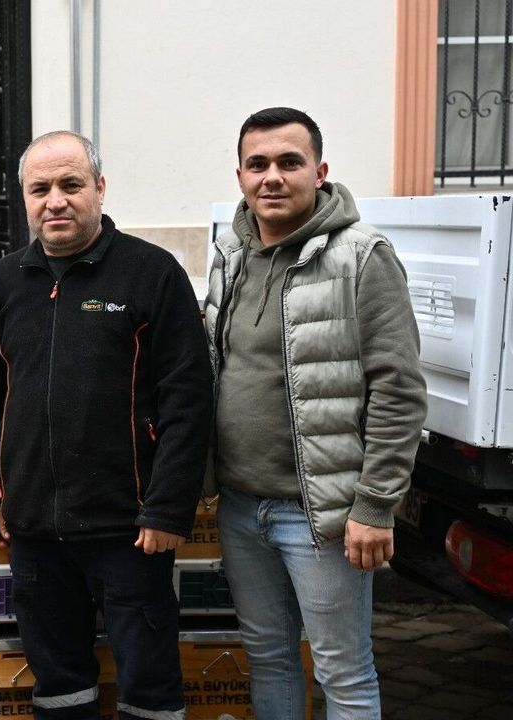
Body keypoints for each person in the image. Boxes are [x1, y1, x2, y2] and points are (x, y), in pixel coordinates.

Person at [0, 130, 213, 720]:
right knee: (59, 682)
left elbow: (188, 400)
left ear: (99, 188)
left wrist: (167, 509)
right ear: (25, 199)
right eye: (40, 189)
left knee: (148, 681)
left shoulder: (152, 273)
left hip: (129, 530)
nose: (56, 201)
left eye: (70, 185)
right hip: (32, 529)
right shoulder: (7, 279)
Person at [204, 107, 427, 719]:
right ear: (240, 176)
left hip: (321, 514)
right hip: (241, 506)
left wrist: (375, 505)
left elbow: (399, 390)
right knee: (269, 657)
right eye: (257, 164)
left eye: (289, 162)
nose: (272, 177)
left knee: (342, 671)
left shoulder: (362, 256)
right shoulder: (230, 253)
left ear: (320, 171)